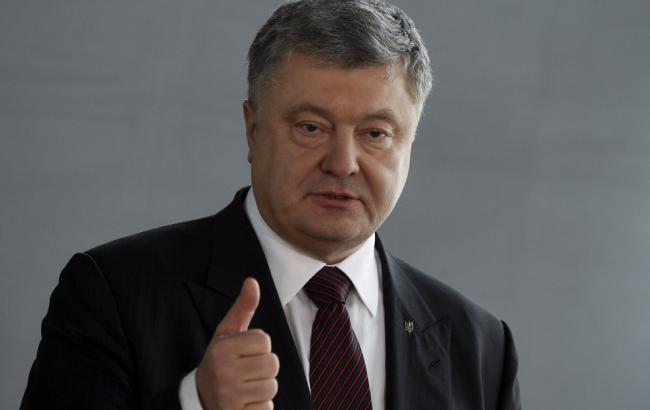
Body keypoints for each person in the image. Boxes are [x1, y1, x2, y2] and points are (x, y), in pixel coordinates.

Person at [21, 0, 521, 409]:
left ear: (409, 143)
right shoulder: (113, 294)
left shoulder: (480, 346)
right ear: (253, 130)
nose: (342, 163)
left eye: (375, 133)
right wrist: (194, 403)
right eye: (311, 127)